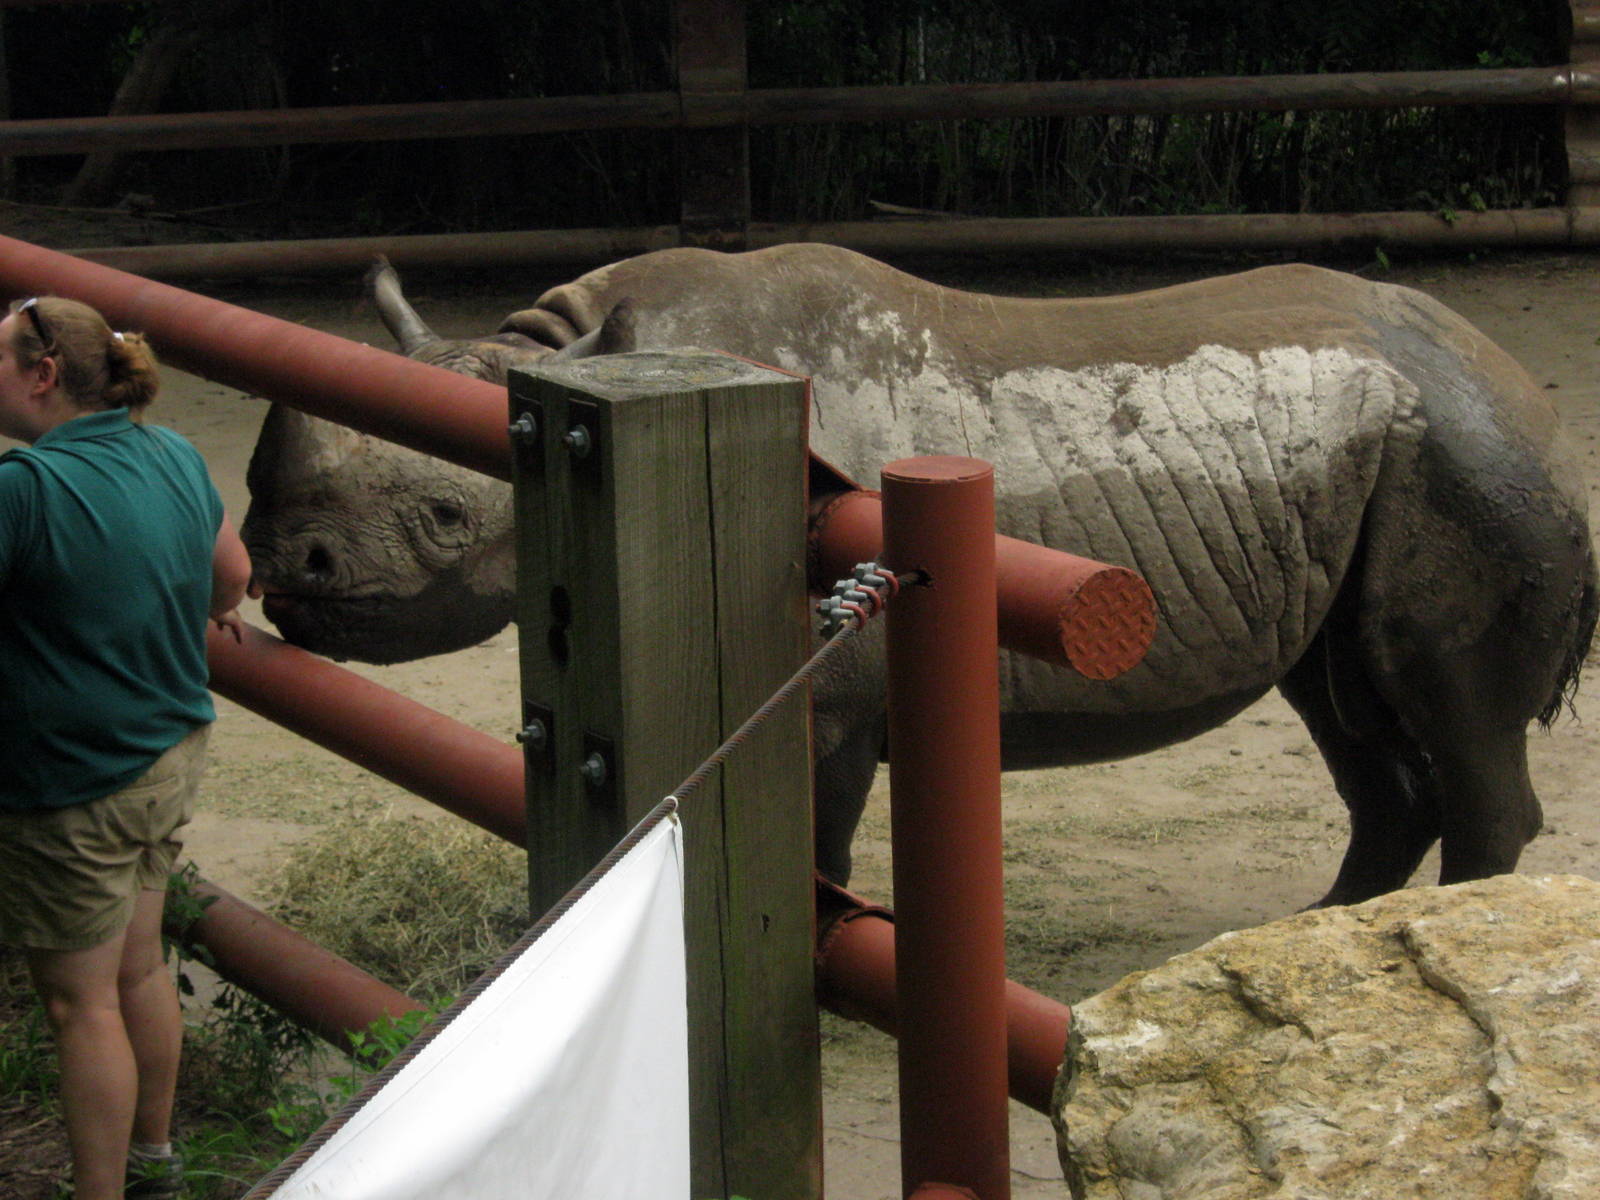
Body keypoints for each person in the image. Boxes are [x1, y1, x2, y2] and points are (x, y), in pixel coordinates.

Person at [0, 295, 250, 1199]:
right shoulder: (176, 452)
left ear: (41, 375)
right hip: (168, 757)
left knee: (79, 1003)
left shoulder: (24, 491)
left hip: (74, 786)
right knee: (139, 966)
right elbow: (233, 574)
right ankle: (155, 1163)